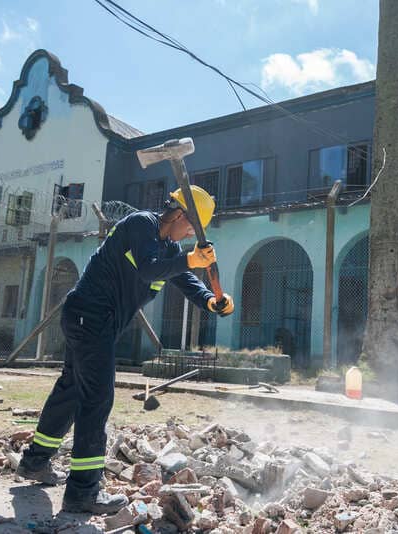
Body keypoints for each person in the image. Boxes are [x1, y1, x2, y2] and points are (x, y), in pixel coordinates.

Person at [16, 185, 234, 514]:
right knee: (96, 399)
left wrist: (211, 300)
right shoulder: (140, 225)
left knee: (72, 391)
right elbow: (150, 268)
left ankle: (35, 461)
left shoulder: (168, 245)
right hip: (91, 318)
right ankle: (83, 492)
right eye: (191, 226)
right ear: (179, 214)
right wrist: (189, 258)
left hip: (88, 320)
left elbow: (184, 277)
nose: (190, 233)